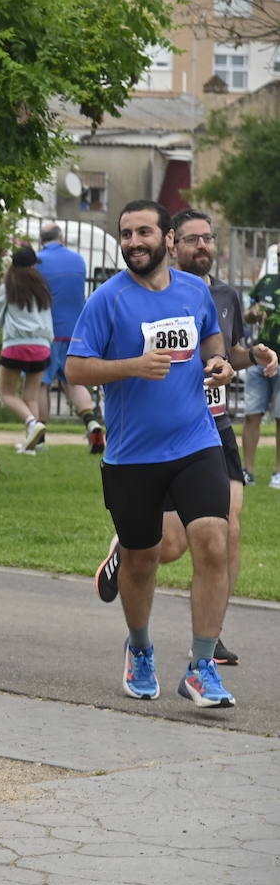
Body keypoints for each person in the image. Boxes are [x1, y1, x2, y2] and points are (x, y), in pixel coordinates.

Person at [66, 200, 237, 709]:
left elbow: (210, 335)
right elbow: (75, 369)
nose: (134, 242)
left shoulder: (193, 289)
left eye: (144, 232)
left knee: (212, 541)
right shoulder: (108, 301)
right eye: (126, 234)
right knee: (141, 560)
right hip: (132, 455)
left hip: (195, 442)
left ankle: (202, 666)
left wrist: (220, 362)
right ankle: (139, 649)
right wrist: (132, 366)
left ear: (167, 238)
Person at [99, 209, 277, 669]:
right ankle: (128, 555)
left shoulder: (221, 294)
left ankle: (208, 644)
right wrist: (135, 367)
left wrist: (246, 357)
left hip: (209, 429)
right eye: (194, 239)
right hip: (149, 440)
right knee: (167, 547)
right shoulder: (122, 296)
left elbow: (222, 352)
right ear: (174, 244)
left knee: (221, 532)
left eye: (208, 238)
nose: (203, 246)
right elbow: (83, 366)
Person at [36, 223, 106, 451]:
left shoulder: (37, 262)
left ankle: (39, 437)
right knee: (74, 382)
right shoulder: (78, 260)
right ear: (62, 238)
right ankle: (92, 423)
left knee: (42, 385)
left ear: (42, 239)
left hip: (47, 332)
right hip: (75, 332)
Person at [0, 246, 54, 454]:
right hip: (42, 346)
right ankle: (34, 444)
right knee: (32, 396)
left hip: (15, 346)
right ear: (33, 265)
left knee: (5, 393)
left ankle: (31, 424)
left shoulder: (9, 287)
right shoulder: (42, 286)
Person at [242, 254, 280, 487]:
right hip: (259, 358)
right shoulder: (266, 282)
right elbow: (247, 313)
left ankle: (278, 473)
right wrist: (253, 314)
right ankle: (248, 471)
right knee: (251, 414)